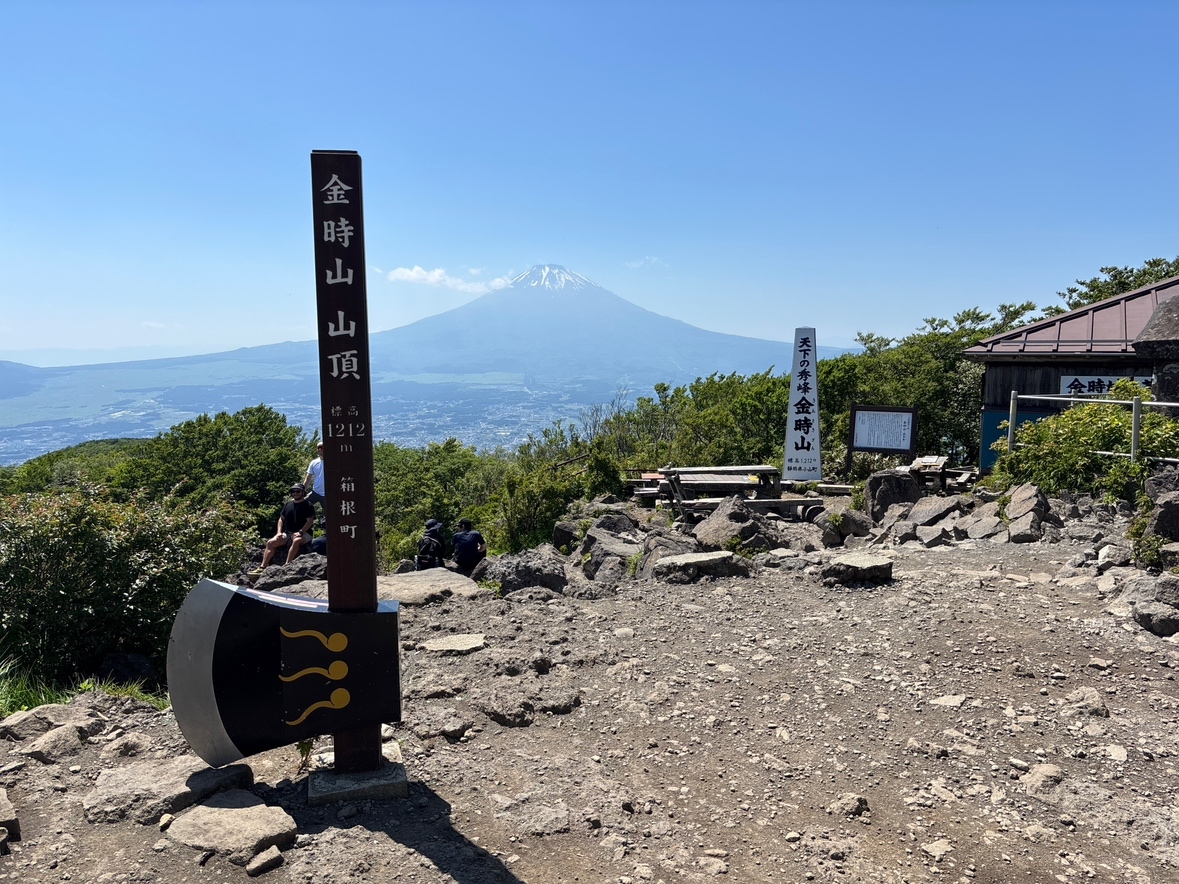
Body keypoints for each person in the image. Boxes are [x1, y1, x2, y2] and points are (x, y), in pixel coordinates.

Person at [259, 483, 316, 570]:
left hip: (305, 533)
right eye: (293, 491)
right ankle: (262, 567)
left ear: (303, 493)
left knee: (296, 541)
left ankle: (286, 566)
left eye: (298, 491)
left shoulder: (308, 505)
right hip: (288, 533)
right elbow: (281, 519)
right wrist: (279, 533)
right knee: (271, 542)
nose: (295, 493)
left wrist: (301, 532)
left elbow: (310, 521)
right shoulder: (288, 504)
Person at [303, 442, 326, 522]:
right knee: (302, 505)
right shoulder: (314, 462)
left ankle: (327, 532)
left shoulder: (333, 461)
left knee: (329, 514)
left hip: (328, 494)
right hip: (315, 492)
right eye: (319, 448)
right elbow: (308, 479)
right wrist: (302, 492)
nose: (320, 450)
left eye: (322, 447)